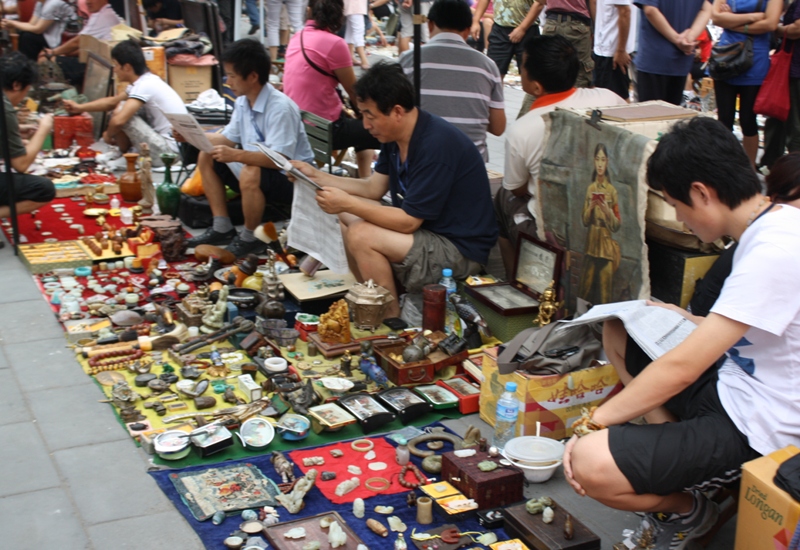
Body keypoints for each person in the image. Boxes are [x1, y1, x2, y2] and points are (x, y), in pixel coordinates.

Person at [564, 116, 800, 550]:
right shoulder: (769, 224)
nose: (677, 217)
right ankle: (684, 469)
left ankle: (690, 509)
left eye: (676, 204)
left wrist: (590, 423)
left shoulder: (775, 248)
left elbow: (684, 368)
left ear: (701, 193)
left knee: (588, 462)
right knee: (618, 330)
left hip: (761, 424)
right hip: (733, 384)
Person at [289, 62, 498, 319]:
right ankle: (367, 297)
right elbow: (372, 188)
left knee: (361, 233)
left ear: (397, 112)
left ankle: (389, 320)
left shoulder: (435, 145)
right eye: (362, 115)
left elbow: (408, 222)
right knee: (346, 218)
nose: (365, 124)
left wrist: (346, 202)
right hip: (427, 233)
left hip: (459, 250)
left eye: (370, 115)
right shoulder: (394, 137)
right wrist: (317, 176)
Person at [495, 34, 624, 278]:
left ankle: (518, 284)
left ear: (536, 87)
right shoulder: (609, 98)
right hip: (605, 220)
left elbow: (518, 189)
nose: (520, 70)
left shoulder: (524, 129)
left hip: (556, 231)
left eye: (522, 67)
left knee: (503, 197)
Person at [183, 39, 315, 258]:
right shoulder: (244, 101)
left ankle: (250, 237)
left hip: (293, 179)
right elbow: (227, 138)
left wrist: (236, 155)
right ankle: (221, 226)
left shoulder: (279, 107)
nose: (228, 81)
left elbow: (279, 160)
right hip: (260, 173)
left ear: (253, 76)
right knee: (207, 155)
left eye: (233, 76)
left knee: (251, 170)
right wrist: (190, 134)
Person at [398, 0, 506, 162]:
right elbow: (498, 128)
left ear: (430, 25)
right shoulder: (488, 66)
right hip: (471, 162)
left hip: (421, 158)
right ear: (468, 30)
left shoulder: (408, 60)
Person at [283, 0, 380, 177]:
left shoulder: (297, 36)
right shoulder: (335, 43)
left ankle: (365, 180)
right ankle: (373, 183)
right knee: (380, 130)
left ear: (309, 11)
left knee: (360, 124)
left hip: (299, 124)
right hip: (325, 130)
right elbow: (354, 91)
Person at [62, 40, 187, 166]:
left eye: (116, 65)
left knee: (122, 112)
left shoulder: (145, 85)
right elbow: (112, 102)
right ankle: (125, 154)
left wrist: (107, 136)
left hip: (169, 155)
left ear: (127, 67)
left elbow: (119, 121)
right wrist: (79, 107)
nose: (115, 70)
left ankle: (126, 155)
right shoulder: (144, 81)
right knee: (119, 107)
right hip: (163, 145)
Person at [712, 0, 781, 166]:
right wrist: (754, 17)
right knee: (724, 118)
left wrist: (732, 20)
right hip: (726, 58)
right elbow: (715, 18)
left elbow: (771, 24)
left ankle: (748, 169)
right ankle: (723, 165)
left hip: (754, 60)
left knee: (748, 120)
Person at [0, 53, 56, 228]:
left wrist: (16, 131)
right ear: (16, 85)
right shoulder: (4, 107)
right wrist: (43, 129)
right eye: (26, 91)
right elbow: (21, 164)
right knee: (44, 189)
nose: (24, 97)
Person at [634, 0, 711, 105]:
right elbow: (706, 9)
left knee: (650, 116)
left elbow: (650, 9)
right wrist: (690, 37)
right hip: (681, 58)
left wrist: (677, 39)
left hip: (654, 58)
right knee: (673, 115)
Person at [577, 143, 621, 305]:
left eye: (603, 159)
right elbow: (584, 220)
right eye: (597, 159)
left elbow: (617, 225)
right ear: (594, 162)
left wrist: (606, 210)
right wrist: (591, 207)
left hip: (606, 247)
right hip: (591, 246)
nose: (600, 164)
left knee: (605, 295)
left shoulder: (612, 191)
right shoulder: (590, 189)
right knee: (584, 291)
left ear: (607, 162)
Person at [42, 0, 121, 87]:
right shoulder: (105, 13)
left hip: (99, 68)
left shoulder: (102, 16)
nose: (88, 2)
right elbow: (84, 47)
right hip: (97, 64)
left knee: (44, 60)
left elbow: (78, 42)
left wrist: (53, 52)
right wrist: (65, 53)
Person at [471, 0, 542, 78]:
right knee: (494, 73)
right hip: (500, 27)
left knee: (530, 74)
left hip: (528, 28)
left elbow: (539, 3)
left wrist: (522, 29)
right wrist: (476, 21)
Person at [2, 0, 78, 61]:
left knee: (27, 38)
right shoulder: (40, 3)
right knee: (24, 34)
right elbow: (31, 24)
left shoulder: (54, 3)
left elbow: (38, 29)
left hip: (63, 40)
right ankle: (24, 66)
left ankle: (28, 69)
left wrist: (13, 23)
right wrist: (10, 23)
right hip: (50, 36)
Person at [593, 0, 636, 100]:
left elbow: (625, 12)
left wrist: (621, 50)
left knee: (612, 102)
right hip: (608, 48)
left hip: (611, 51)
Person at [344, 0, 369, 68]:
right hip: (355, 4)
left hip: (352, 4)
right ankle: (363, 60)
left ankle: (350, 56)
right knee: (358, 30)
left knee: (350, 30)